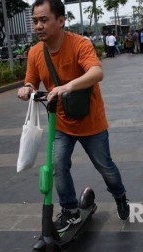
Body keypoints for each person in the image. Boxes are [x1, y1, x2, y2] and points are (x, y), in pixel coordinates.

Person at [17, 0, 130, 232]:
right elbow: (31, 79)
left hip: (92, 123)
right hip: (61, 123)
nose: (38, 26)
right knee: (58, 164)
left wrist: (68, 86)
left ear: (60, 20)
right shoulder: (35, 52)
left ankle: (120, 196)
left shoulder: (80, 44)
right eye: (35, 21)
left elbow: (97, 72)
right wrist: (27, 88)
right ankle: (70, 211)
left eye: (44, 20)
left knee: (106, 168)